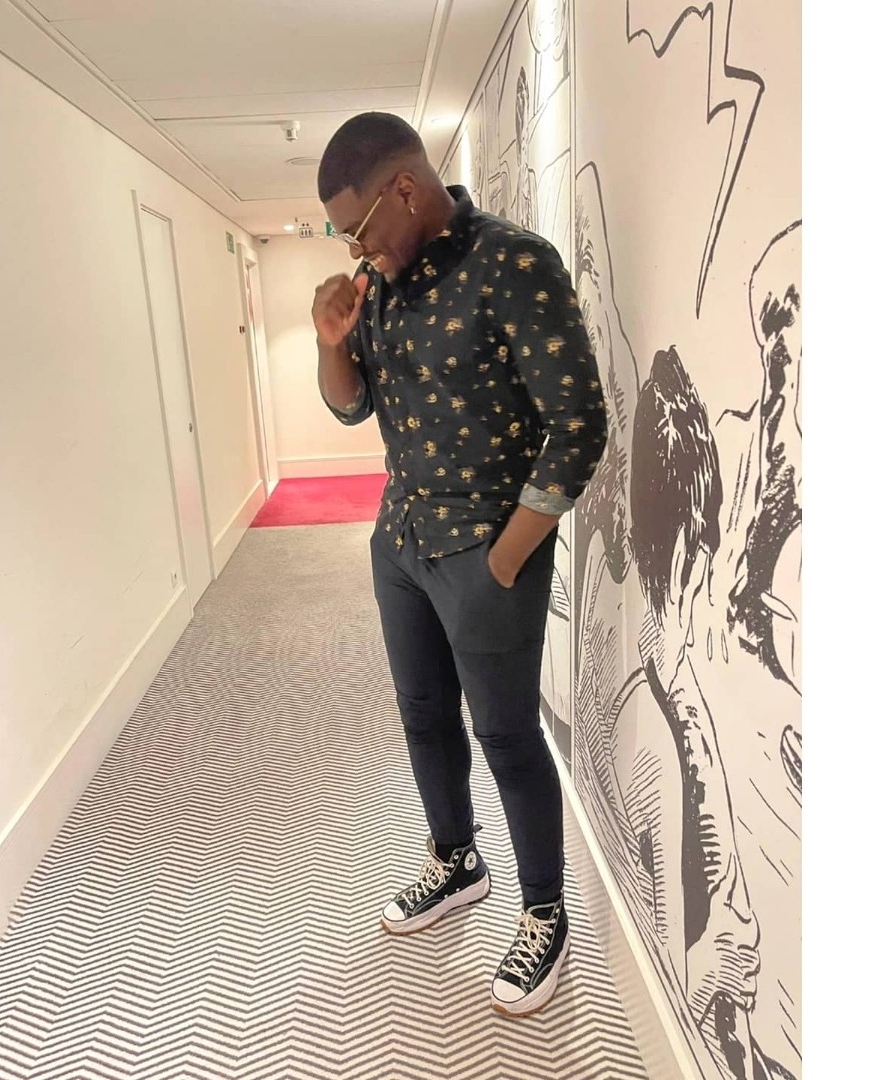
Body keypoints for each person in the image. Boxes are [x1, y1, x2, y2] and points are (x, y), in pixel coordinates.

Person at [311, 112, 607, 1018]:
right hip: (399, 542)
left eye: (356, 229)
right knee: (423, 717)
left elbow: (579, 425)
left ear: (405, 189)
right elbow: (351, 409)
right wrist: (330, 340)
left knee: (507, 736)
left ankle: (544, 911)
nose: (355, 249)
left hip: (485, 551)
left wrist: (505, 560)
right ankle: (455, 860)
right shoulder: (380, 285)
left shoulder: (513, 263)